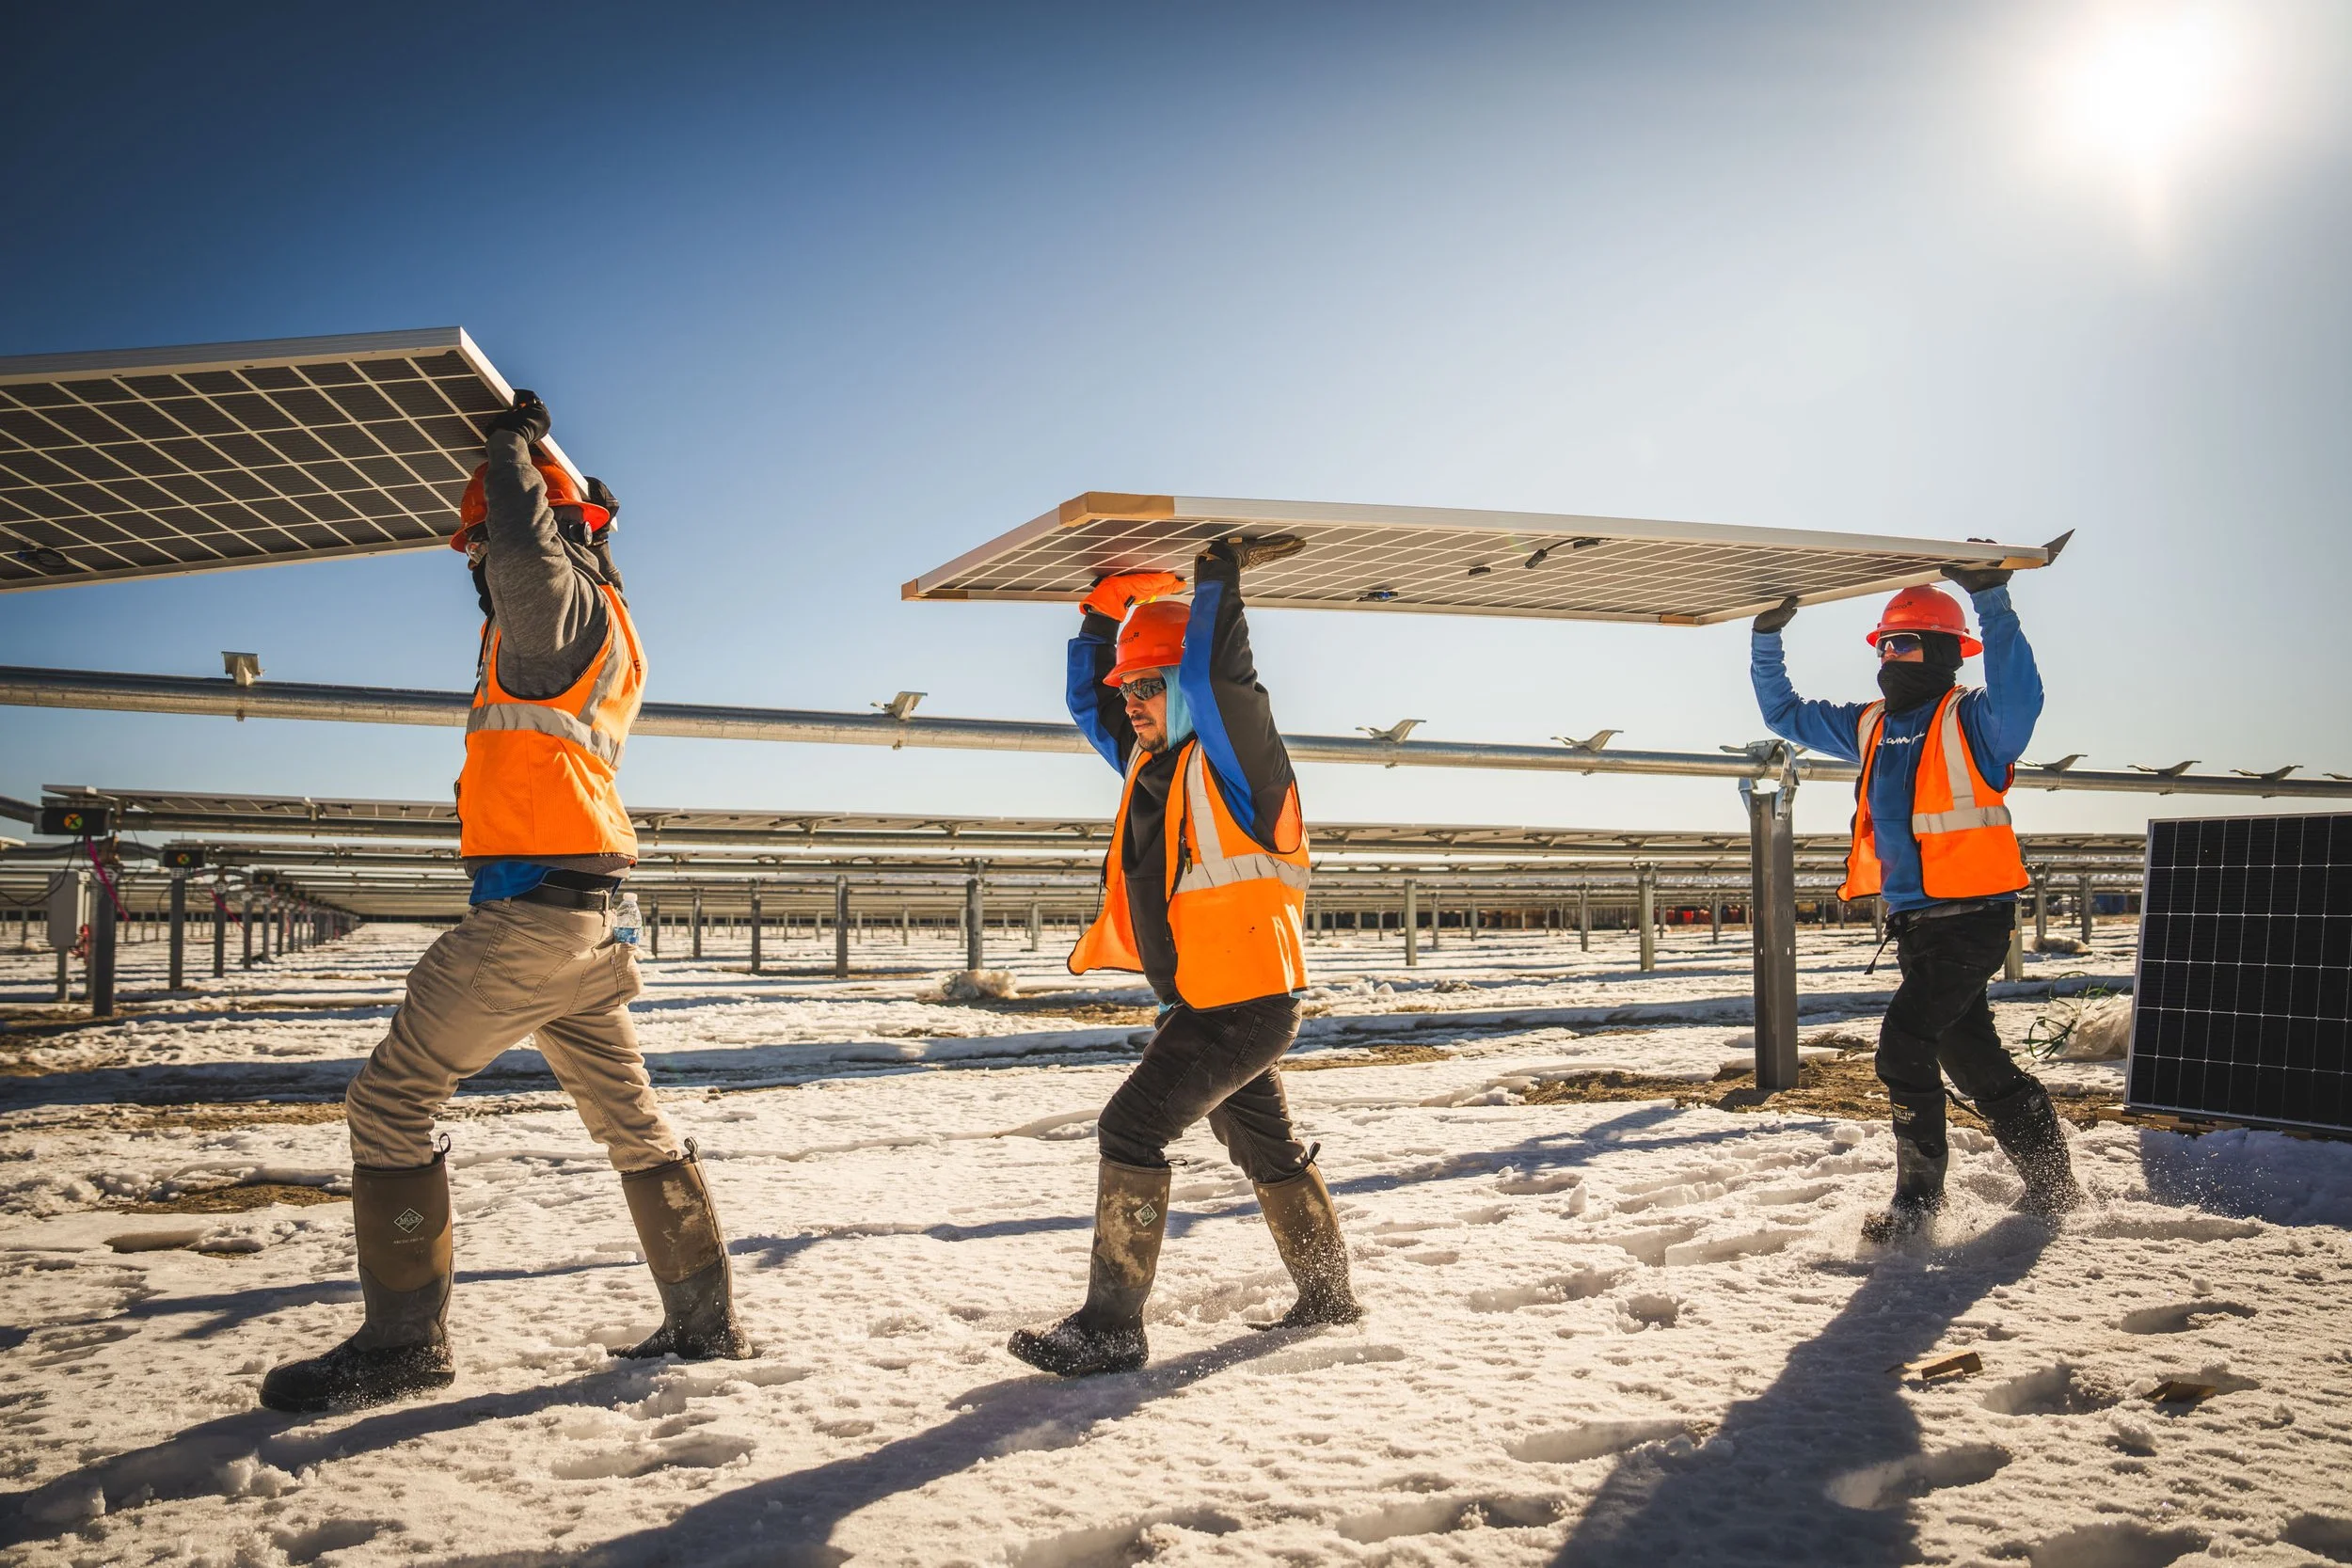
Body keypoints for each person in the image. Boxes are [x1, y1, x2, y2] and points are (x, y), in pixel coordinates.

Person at [261, 392, 751, 1413]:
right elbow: (543, 558)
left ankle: (404, 1345)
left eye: (474, 545)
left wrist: (509, 453)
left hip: (531, 915)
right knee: (636, 1124)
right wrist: (577, 519)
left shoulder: (549, 608)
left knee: (389, 1100)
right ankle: (704, 1321)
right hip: (582, 919)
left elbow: (528, 558)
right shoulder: (599, 620)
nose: (474, 563)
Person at [1009, 535, 1361, 1378]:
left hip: (1241, 1006)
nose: (1128, 699)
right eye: (1126, 684)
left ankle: (1111, 1327)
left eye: (1146, 685)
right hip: (1206, 1003)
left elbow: (1220, 680)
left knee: (1130, 1126)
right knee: (1265, 1147)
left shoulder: (1243, 771)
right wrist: (1102, 613)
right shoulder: (1151, 764)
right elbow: (1086, 699)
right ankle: (1328, 1294)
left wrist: (1217, 580)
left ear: (1183, 690)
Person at [1750, 557, 2085, 1242]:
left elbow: (2022, 699)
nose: (1888, 656)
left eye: (1902, 644)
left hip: (1973, 921)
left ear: (1940, 652)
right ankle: (2056, 1183)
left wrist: (1991, 599)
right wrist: (1765, 638)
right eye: (1883, 645)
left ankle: (1916, 1208)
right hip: (1916, 926)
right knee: (1971, 1059)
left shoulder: (1975, 722)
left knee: (1903, 1045)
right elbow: (1783, 711)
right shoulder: (1870, 725)